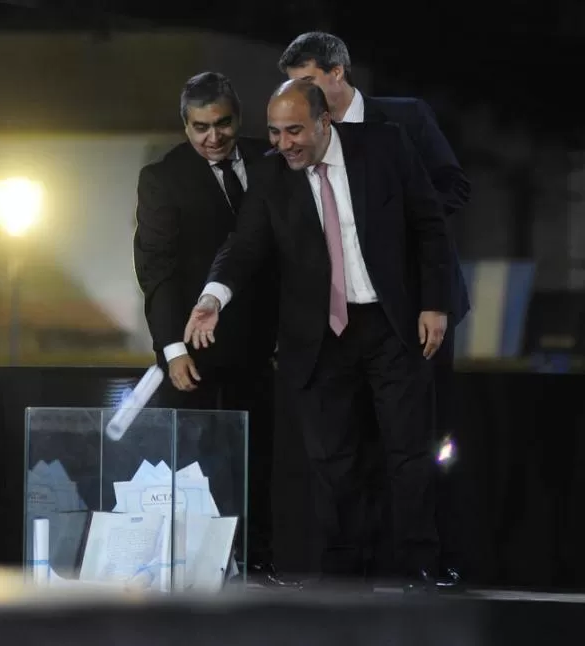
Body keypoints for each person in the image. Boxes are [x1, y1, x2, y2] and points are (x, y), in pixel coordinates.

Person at [185, 79, 452, 589]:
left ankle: (421, 569)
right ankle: (345, 581)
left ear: (324, 121)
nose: (284, 143)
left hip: (392, 324)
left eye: (294, 131)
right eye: (274, 132)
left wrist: (434, 303)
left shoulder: (385, 146)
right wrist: (213, 297)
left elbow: (429, 223)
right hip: (319, 336)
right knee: (335, 462)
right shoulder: (270, 174)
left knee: (408, 452)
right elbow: (243, 247)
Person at [279, 32, 469, 586]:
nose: (299, 95)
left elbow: (452, 189)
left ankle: (435, 561)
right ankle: (361, 568)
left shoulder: (402, 120)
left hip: (414, 309)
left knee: (426, 442)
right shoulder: (303, 142)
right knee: (347, 447)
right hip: (341, 317)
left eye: (309, 82)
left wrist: (399, 233)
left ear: (339, 73)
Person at [133, 71, 293, 587]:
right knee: (204, 466)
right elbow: (155, 271)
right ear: (185, 126)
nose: (213, 137)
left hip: (273, 346)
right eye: (200, 126)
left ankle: (264, 565)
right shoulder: (163, 178)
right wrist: (173, 349)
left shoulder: (273, 159)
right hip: (198, 354)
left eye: (222, 124)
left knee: (268, 462)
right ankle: (203, 572)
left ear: (238, 118)